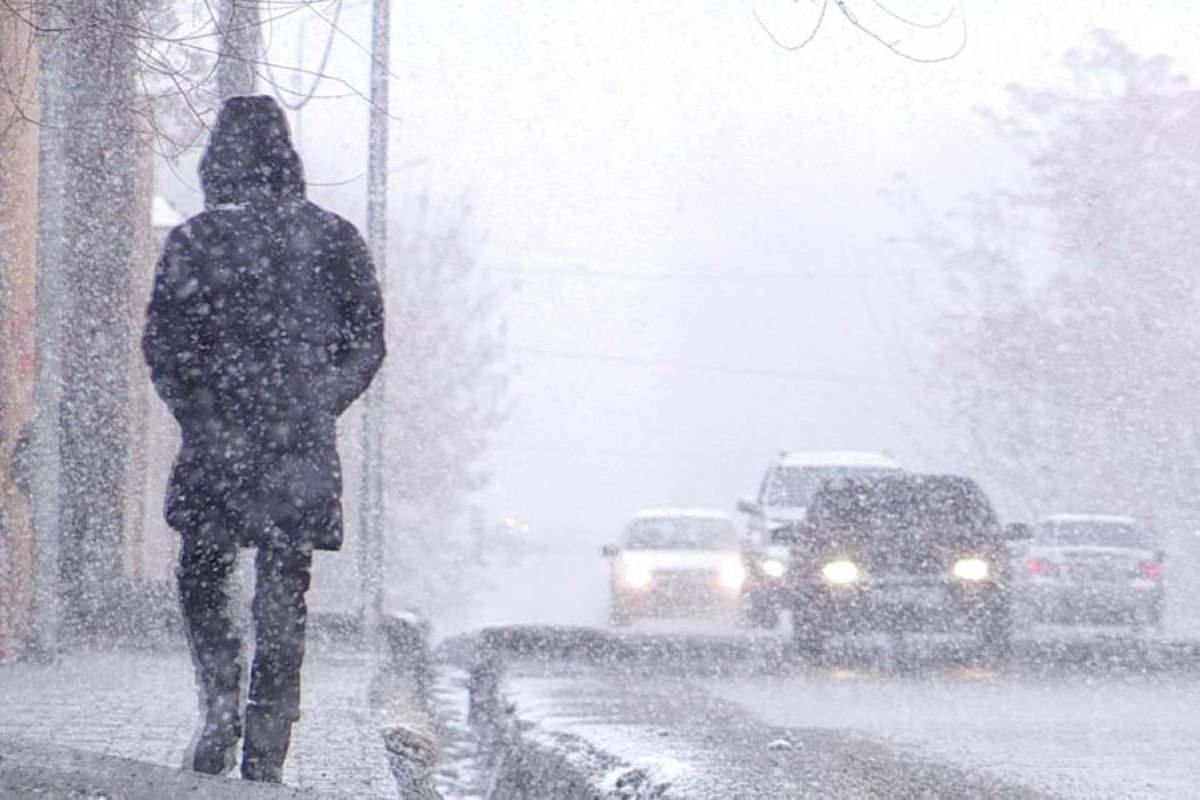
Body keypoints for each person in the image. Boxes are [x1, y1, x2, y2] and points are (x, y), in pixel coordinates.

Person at [142, 95, 385, 782]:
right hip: (296, 448)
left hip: (219, 443)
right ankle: (267, 743)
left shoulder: (195, 240)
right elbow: (368, 341)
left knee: (202, 575)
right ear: (288, 157)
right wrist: (319, 400)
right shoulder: (334, 239)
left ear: (219, 158)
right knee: (283, 592)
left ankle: (220, 699)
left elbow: (163, 343)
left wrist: (201, 411)